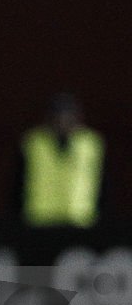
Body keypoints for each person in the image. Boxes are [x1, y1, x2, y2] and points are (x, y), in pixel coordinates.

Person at [17, 92, 105, 227]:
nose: (63, 121)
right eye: (59, 116)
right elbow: (18, 181)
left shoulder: (91, 143)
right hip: (39, 220)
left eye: (68, 116)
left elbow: (102, 182)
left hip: (80, 220)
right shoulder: (34, 142)